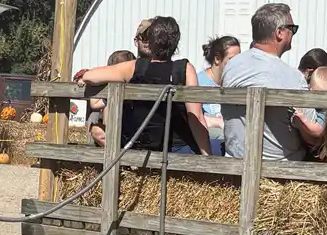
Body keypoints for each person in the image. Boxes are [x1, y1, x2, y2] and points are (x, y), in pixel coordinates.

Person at [74, 23, 209, 153]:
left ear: (151, 42)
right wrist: (207, 157)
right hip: (176, 147)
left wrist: (84, 75)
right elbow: (196, 116)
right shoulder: (184, 68)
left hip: (139, 146)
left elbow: (92, 77)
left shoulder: (134, 67)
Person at [218, 3, 323, 159]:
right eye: (292, 29)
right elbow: (312, 134)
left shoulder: (231, 67)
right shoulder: (293, 77)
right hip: (280, 166)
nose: (293, 33)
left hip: (235, 161)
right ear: (279, 33)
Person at [85, 49, 135, 147]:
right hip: (115, 132)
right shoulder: (111, 89)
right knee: (97, 130)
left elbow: (94, 104)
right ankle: (114, 150)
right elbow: (95, 104)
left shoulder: (135, 84)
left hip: (132, 131)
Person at [197, 35, 238, 147]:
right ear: (217, 59)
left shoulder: (237, 84)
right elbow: (193, 116)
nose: (238, 64)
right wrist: (218, 122)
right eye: (232, 60)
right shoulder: (198, 82)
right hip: (210, 142)